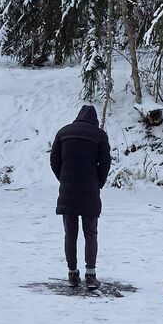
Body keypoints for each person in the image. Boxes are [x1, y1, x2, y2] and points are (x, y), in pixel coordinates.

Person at [49, 105, 112, 289]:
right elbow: (105, 162)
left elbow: (54, 160)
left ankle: (72, 273)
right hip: (90, 191)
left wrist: (64, 178)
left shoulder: (63, 132)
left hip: (67, 191)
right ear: (94, 120)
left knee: (70, 233)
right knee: (90, 233)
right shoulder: (99, 135)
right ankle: (90, 275)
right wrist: (97, 182)